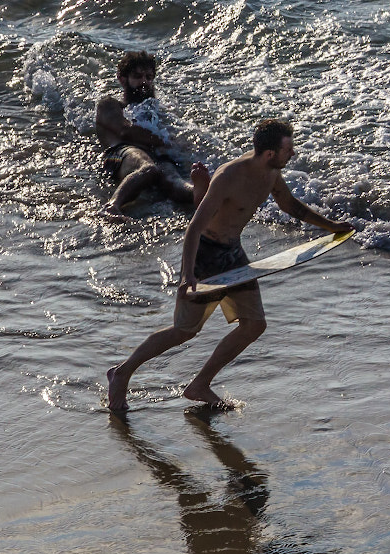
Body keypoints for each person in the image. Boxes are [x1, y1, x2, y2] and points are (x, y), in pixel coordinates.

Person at [107, 118, 351, 414]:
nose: (294, 154)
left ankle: (199, 385)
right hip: (206, 257)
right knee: (184, 331)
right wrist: (187, 274)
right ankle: (122, 372)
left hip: (233, 255)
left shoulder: (272, 173)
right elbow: (194, 227)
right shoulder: (230, 176)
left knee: (254, 325)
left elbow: (291, 206)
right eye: (289, 149)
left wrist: (331, 226)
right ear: (270, 153)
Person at [95, 50, 210, 217]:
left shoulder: (155, 112)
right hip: (119, 155)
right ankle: (112, 206)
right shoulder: (110, 104)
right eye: (137, 76)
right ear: (122, 78)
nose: (144, 82)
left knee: (174, 180)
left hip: (154, 156)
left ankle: (200, 192)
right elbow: (125, 131)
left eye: (149, 77)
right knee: (148, 168)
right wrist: (162, 141)